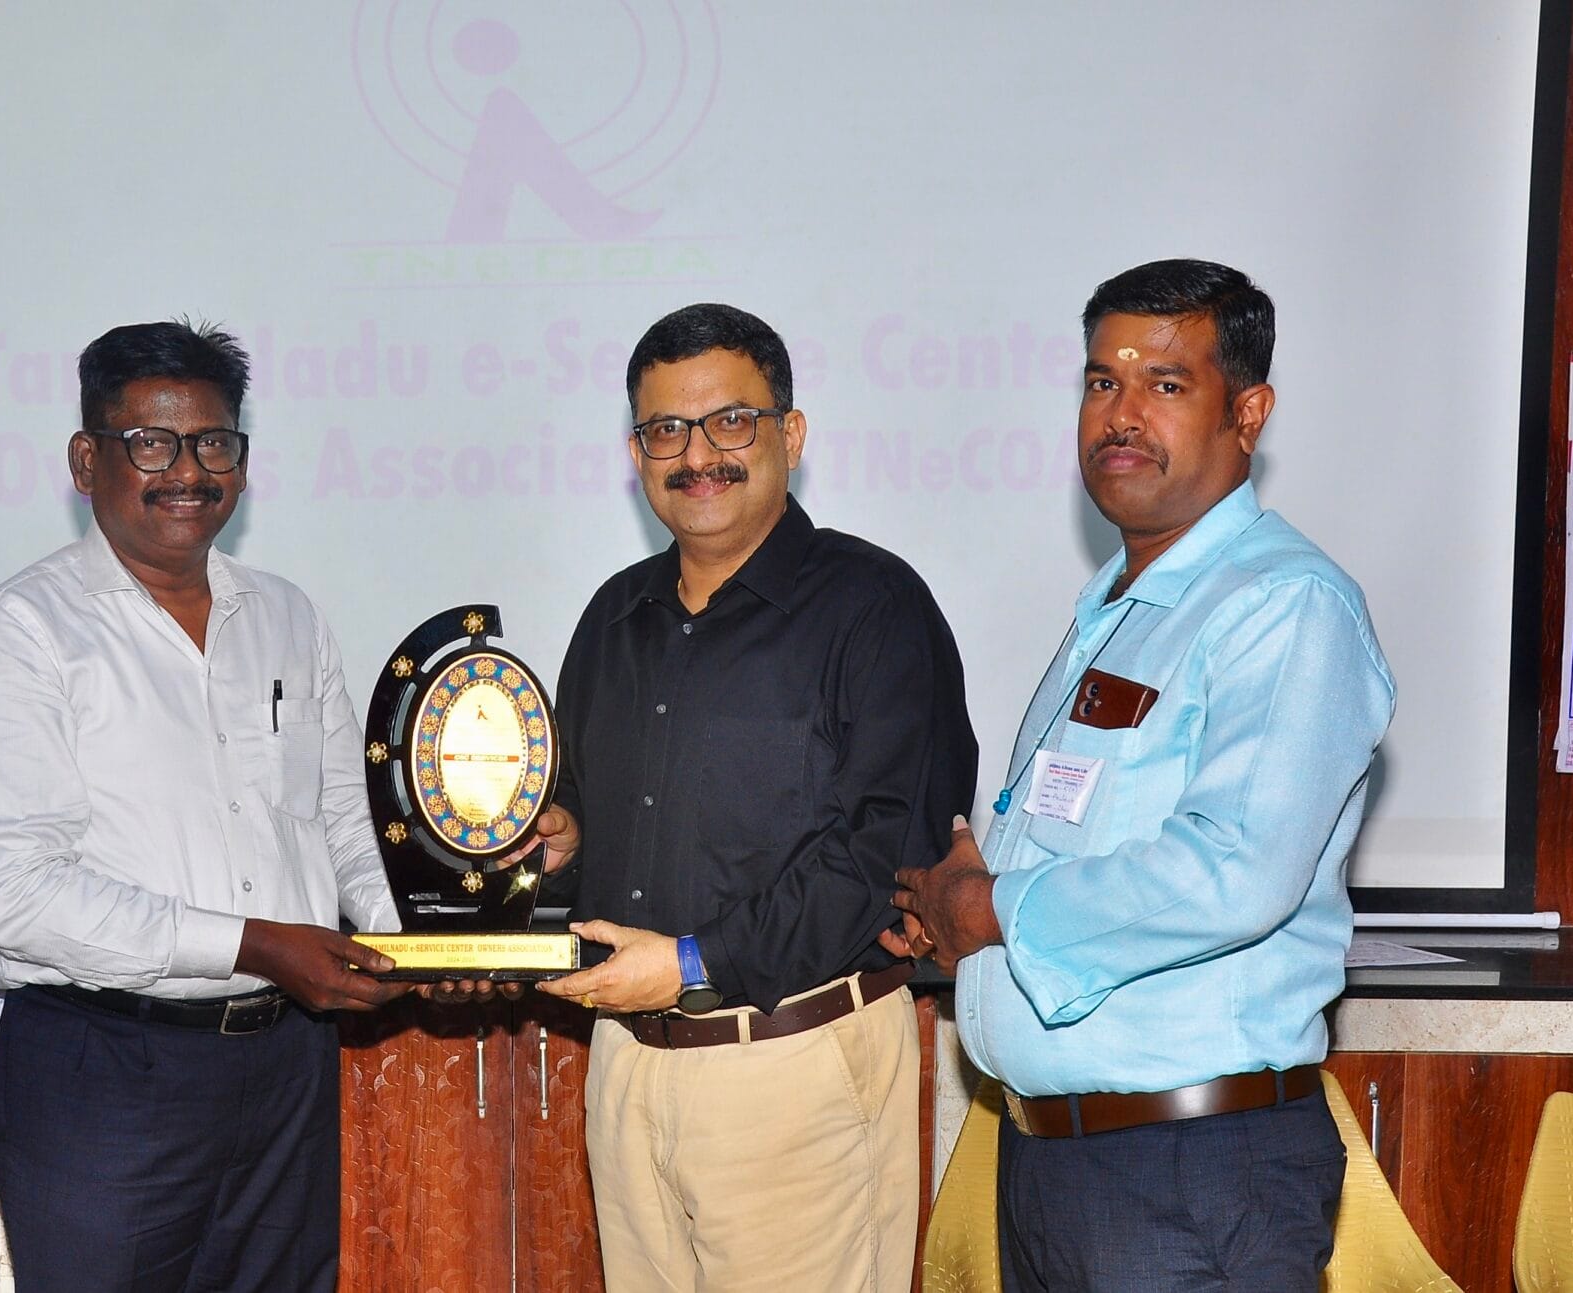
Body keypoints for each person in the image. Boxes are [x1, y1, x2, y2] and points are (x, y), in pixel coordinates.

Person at [891, 259, 1396, 1291]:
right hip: (1054, 1166)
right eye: (1100, 383)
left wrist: (990, 910)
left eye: (1165, 384)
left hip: (1189, 1175)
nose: (1120, 416)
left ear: (1247, 413)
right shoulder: (1118, 608)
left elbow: (1233, 872)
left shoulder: (1284, 606)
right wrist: (953, 920)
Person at [529, 302, 978, 1291]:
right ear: (636, 453)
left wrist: (693, 963)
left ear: (790, 434)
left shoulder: (874, 607)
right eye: (665, 430)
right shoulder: (612, 616)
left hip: (793, 1063)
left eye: (730, 421)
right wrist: (559, 846)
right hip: (626, 1064)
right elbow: (589, 823)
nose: (698, 455)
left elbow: (883, 861)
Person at [0, 320, 407, 1291]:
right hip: (104, 1069)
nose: (188, 471)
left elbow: (341, 820)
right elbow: (18, 895)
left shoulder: (287, 616)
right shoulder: (27, 628)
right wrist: (255, 943)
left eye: (213, 443)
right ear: (87, 461)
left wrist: (410, 948)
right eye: (152, 444)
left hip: (285, 1068)